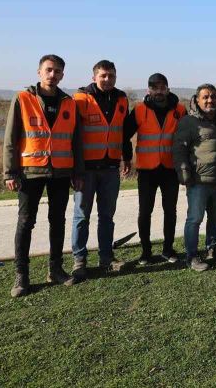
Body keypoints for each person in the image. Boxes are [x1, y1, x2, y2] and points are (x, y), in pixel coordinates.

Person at [3, 54, 84, 297]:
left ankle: (56, 269)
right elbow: (10, 139)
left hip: (60, 172)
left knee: (57, 221)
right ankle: (22, 276)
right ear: (39, 72)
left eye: (58, 71)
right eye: (49, 70)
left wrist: (77, 172)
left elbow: (76, 142)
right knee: (26, 222)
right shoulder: (23, 98)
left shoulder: (69, 103)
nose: (53, 75)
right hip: (30, 172)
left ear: (62, 75)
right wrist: (10, 171)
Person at [71, 60, 132, 280]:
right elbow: (72, 135)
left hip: (110, 168)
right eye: (103, 75)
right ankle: (79, 260)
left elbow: (123, 132)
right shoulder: (80, 99)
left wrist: (127, 158)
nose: (107, 80)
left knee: (107, 216)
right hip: (86, 169)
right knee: (81, 216)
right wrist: (75, 169)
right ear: (94, 76)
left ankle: (106, 257)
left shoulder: (122, 99)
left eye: (111, 76)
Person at [172, 84, 216, 272]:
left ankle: (212, 247)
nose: (210, 100)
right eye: (206, 97)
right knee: (195, 218)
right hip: (198, 181)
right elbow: (179, 149)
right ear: (197, 100)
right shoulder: (189, 122)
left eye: (213, 97)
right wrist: (184, 174)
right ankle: (191, 256)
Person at [124, 73, 186, 265]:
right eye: (154, 87)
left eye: (162, 87)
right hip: (147, 170)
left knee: (170, 210)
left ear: (167, 88)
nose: (158, 91)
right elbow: (123, 135)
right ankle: (145, 252)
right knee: (145, 211)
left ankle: (168, 250)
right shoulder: (140, 109)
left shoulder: (180, 110)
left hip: (170, 169)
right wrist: (126, 158)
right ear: (148, 89)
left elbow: (188, 137)